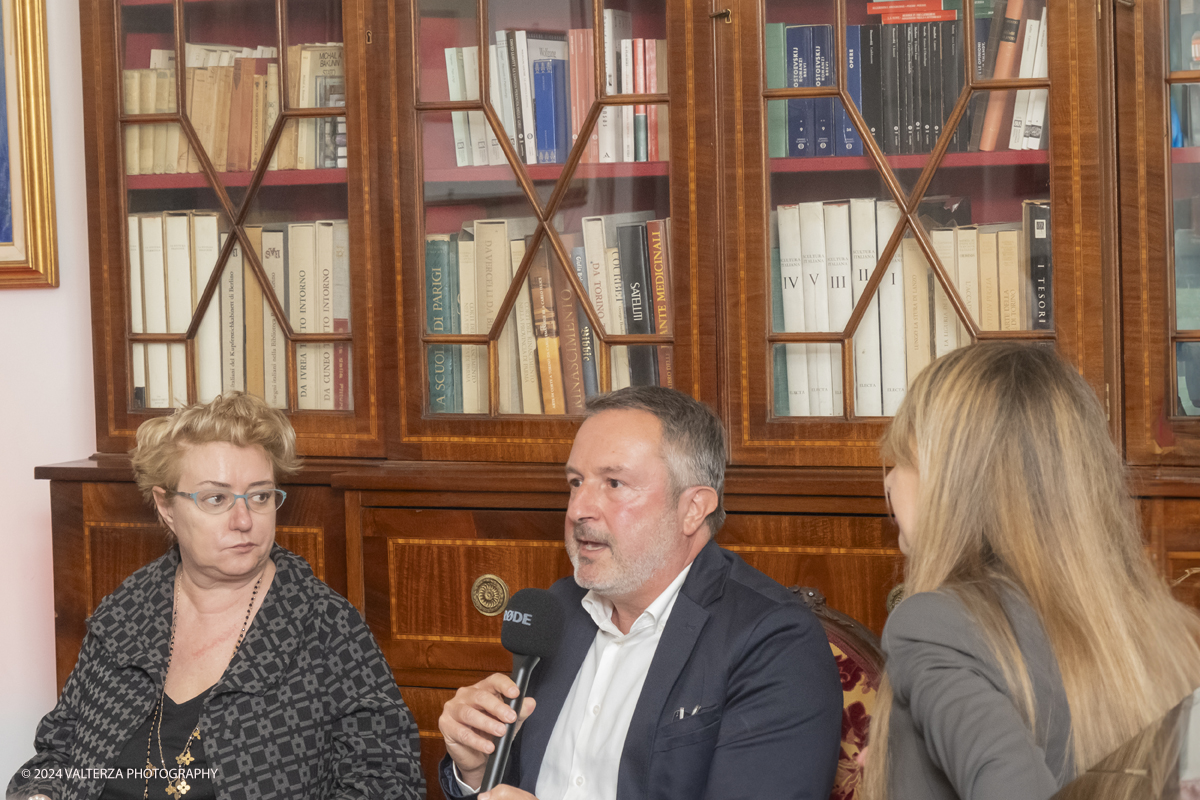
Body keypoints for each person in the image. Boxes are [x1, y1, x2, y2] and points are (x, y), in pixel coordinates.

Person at [8, 392, 424, 800]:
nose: (244, 520)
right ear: (166, 506)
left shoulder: (328, 628)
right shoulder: (124, 613)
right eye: (216, 498)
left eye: (260, 496)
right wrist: (39, 795)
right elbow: (58, 751)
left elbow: (390, 784)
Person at [437, 385, 843, 800]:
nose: (578, 509)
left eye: (614, 483)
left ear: (693, 509)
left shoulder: (773, 640)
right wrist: (477, 770)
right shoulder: (558, 610)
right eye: (576, 482)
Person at [861, 342, 1200, 800]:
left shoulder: (935, 625)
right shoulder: (1174, 634)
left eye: (902, 458)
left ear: (956, 483)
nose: (888, 480)